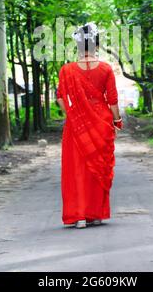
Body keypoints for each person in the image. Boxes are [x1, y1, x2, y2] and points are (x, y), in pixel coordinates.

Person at [56, 22, 123, 229]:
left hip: (77, 125)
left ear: (78, 45)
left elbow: (60, 98)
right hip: (101, 122)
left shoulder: (66, 70)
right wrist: (117, 121)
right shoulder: (105, 69)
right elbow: (112, 100)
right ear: (96, 45)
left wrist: (74, 114)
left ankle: (79, 216)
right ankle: (95, 214)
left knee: (76, 168)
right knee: (97, 167)